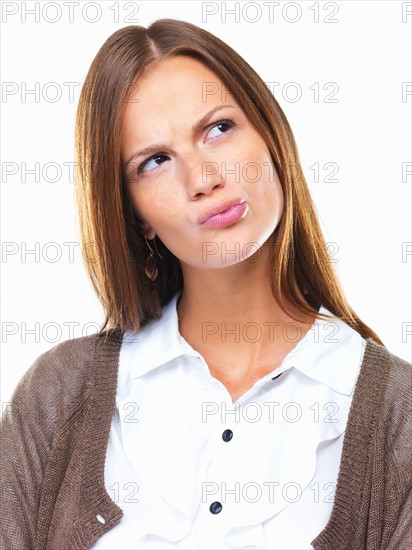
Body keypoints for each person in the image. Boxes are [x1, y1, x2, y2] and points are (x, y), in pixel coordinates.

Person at [1, 18, 411, 550]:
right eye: (155, 162)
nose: (202, 179)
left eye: (218, 129)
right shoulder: (58, 395)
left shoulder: (396, 415)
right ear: (136, 215)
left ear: (271, 136)